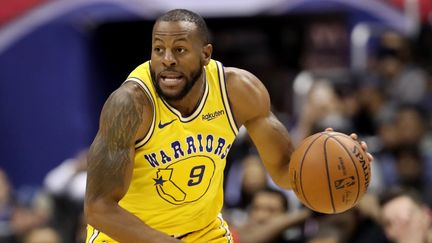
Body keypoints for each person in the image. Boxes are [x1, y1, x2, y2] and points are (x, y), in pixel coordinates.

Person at [84, 9, 372, 243]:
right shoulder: (130, 104)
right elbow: (99, 208)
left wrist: (340, 165)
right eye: (158, 49)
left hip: (203, 232)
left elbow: (286, 172)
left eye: (180, 49)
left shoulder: (239, 91)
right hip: (127, 236)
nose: (167, 60)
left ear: (206, 54)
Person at [233, 188, 310, 243]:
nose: (261, 216)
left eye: (271, 210)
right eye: (256, 208)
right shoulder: (230, 236)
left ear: (285, 215)